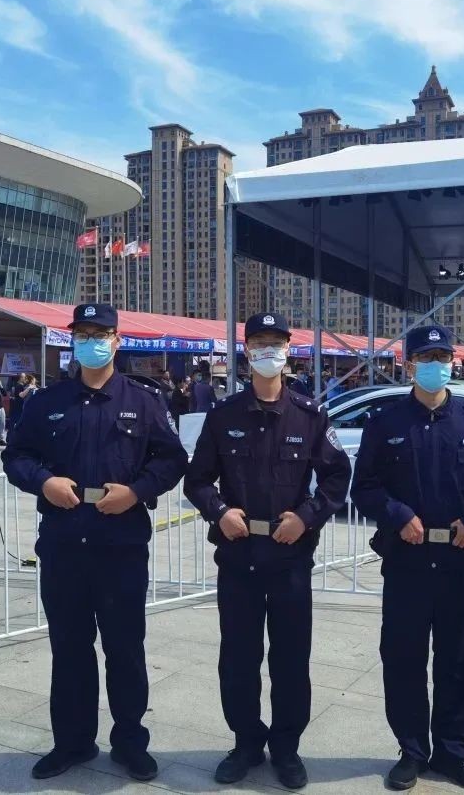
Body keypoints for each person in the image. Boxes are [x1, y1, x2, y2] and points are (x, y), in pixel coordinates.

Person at [2, 303, 187, 783]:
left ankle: (130, 742)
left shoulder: (145, 401)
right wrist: (43, 482)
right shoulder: (46, 402)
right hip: (64, 544)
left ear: (117, 340)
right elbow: (16, 455)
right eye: (82, 334)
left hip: (120, 546)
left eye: (100, 333)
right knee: (69, 647)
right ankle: (73, 742)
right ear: (72, 342)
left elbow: (171, 460)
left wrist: (137, 492)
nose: (91, 341)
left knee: (125, 648)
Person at [184, 312, 352, 790]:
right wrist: (219, 512)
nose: (267, 352)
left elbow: (337, 476)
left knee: (290, 660)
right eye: (258, 343)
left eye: (275, 344)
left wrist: (308, 515)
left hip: (289, 560)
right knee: (238, 657)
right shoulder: (223, 416)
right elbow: (197, 480)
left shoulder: (310, 415)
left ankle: (286, 748)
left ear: (288, 350)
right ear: (246, 351)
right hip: (238, 559)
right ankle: (245, 743)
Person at [350, 324, 464, 793]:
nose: (435, 363)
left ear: (453, 361)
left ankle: (452, 753)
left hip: (460, 563)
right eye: (426, 356)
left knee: (460, 661)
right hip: (407, 562)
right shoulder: (386, 424)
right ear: (409, 365)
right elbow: (364, 486)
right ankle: (411, 751)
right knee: (402, 659)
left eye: (442, 355)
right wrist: (398, 515)